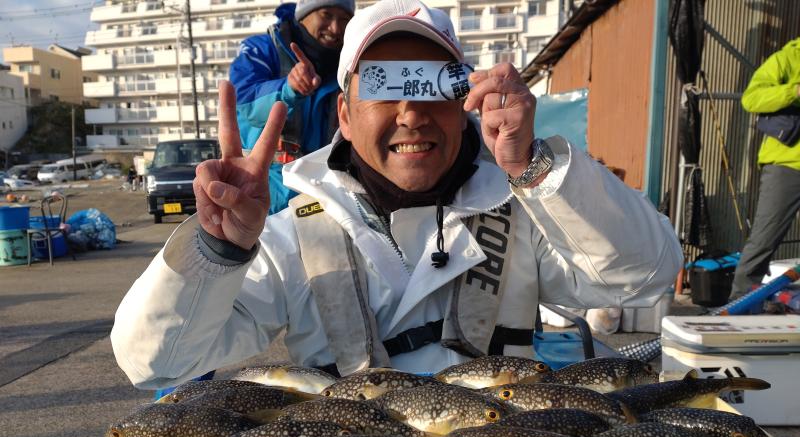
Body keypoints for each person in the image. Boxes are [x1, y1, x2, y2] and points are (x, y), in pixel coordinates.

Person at [110, 0, 682, 387]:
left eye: (432, 84)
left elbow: (645, 274)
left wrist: (534, 167)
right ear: (345, 114)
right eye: (385, 87)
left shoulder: (527, 207)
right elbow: (156, 364)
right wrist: (217, 249)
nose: (411, 113)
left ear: (465, 102)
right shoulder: (290, 234)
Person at [230, 0, 354, 214]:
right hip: (263, 198)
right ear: (303, 14)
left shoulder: (351, 63)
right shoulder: (261, 49)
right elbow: (245, 103)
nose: (335, 28)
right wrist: (289, 89)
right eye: (326, 15)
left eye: (344, 19)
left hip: (328, 203)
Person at [729, 38, 800, 299]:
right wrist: (793, 91)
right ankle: (740, 307)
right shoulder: (786, 59)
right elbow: (752, 99)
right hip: (786, 165)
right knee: (763, 241)